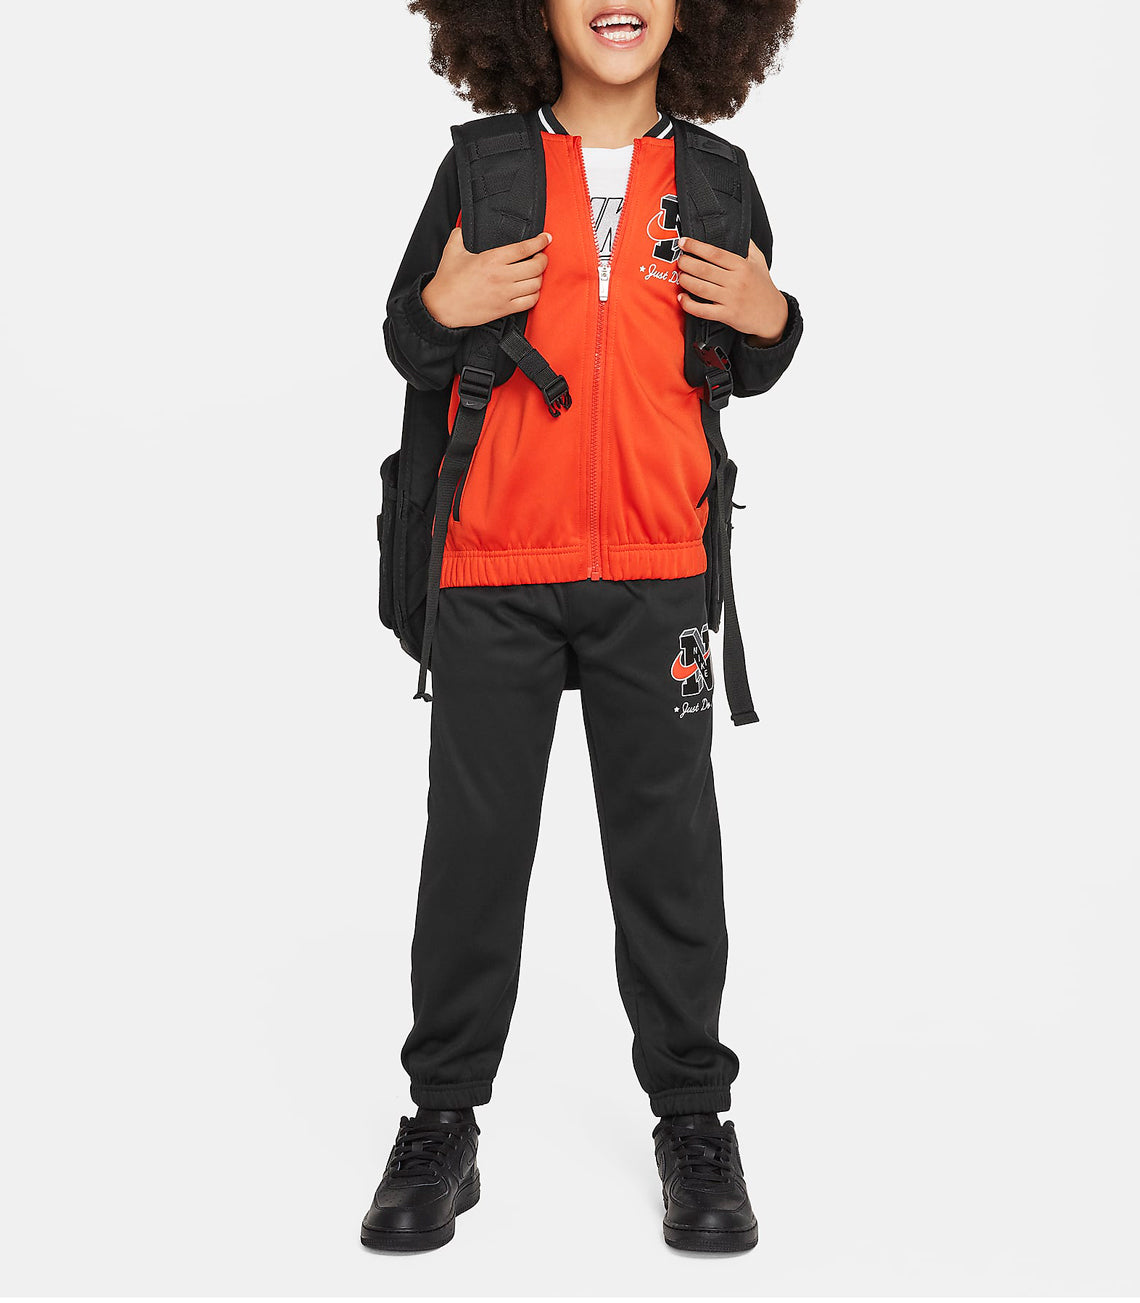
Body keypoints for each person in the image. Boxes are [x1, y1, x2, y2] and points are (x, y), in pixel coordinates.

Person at [362, 0, 803, 1253]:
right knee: (474, 854)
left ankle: (694, 1121)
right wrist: (443, 302)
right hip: (493, 565)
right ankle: (442, 1119)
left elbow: (751, 356)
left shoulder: (718, 179)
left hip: (658, 570)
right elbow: (410, 338)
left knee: (671, 858)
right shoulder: (480, 168)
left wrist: (773, 315)